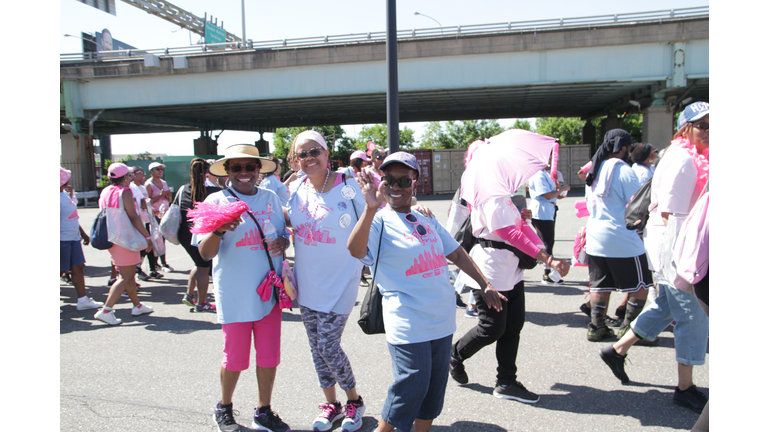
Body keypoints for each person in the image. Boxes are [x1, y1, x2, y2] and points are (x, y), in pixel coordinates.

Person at [347, 152, 506, 432]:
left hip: (441, 320)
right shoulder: (379, 221)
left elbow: (456, 253)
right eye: (389, 180)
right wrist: (370, 208)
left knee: (433, 389)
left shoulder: (426, 219)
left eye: (403, 180)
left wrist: (485, 283)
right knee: (411, 384)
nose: (395, 186)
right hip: (408, 322)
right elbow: (355, 251)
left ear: (415, 183)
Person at [599, 102, 709, 414]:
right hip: (676, 245)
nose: (709, 131)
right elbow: (670, 214)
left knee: (664, 306)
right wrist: (684, 267)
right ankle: (685, 388)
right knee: (692, 315)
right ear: (685, 127)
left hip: (677, 243)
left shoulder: (690, 155)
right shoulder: (683, 159)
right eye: (703, 125)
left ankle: (617, 350)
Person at [448, 139, 570, 404]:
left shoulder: (502, 193)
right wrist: (548, 260)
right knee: (492, 328)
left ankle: (506, 382)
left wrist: (521, 216)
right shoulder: (487, 192)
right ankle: (455, 354)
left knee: (513, 327)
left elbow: (518, 227)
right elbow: (509, 233)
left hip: (510, 269)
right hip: (489, 272)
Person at [196, 144, 291, 432]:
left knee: (269, 356)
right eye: (236, 167)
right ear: (227, 172)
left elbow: (284, 234)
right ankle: (224, 407)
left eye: (250, 167)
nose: (244, 173)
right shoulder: (214, 201)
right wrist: (219, 228)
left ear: (259, 170)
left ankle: (264, 410)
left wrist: (284, 242)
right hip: (235, 294)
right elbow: (204, 253)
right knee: (235, 358)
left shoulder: (272, 198)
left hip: (269, 292)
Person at [284, 130, 367, 432]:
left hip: (342, 280)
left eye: (314, 151)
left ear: (326, 153)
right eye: (301, 154)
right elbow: (288, 222)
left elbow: (375, 219)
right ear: (295, 160)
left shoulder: (348, 185)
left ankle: (354, 401)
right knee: (316, 348)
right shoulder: (296, 189)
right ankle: (330, 403)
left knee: (328, 346)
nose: (308, 158)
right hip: (307, 282)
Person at [583, 129, 653, 341]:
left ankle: (596, 326)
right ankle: (628, 328)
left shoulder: (593, 169)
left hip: (595, 236)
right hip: (622, 237)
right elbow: (638, 203)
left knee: (600, 285)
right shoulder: (623, 170)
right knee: (641, 285)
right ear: (623, 147)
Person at [93, 163, 154, 325]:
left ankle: (137, 305)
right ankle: (106, 310)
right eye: (129, 175)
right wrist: (147, 237)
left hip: (112, 236)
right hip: (125, 237)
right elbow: (133, 217)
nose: (131, 178)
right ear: (125, 177)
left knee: (129, 274)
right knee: (125, 276)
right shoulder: (124, 192)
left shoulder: (106, 191)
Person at [178, 158, 221, 312]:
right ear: (207, 172)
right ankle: (201, 302)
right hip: (201, 232)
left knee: (198, 264)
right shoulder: (214, 192)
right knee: (204, 267)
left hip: (183, 232)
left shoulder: (183, 189)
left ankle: (189, 295)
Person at [60, 167, 103, 313]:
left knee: (78, 267)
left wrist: (83, 234)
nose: (68, 182)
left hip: (73, 238)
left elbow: (72, 217)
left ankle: (83, 300)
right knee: (60, 270)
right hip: (61, 239)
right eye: (65, 179)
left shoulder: (65, 194)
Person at [528, 157, 570, 284]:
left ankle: (548, 272)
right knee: (547, 243)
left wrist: (558, 186)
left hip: (547, 211)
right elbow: (547, 195)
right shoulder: (538, 175)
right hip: (541, 212)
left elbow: (553, 194)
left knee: (547, 243)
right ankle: (547, 275)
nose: (551, 164)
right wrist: (562, 189)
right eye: (549, 161)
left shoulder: (544, 174)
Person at [144, 161, 173, 275]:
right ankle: (157, 264)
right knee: (156, 239)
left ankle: (162, 262)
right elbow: (147, 202)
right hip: (154, 215)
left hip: (164, 214)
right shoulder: (149, 184)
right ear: (151, 171)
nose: (160, 171)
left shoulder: (164, 183)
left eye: (161, 169)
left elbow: (168, 200)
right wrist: (160, 195)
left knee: (162, 239)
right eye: (157, 169)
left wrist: (168, 196)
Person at [129, 166, 152, 281]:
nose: (143, 175)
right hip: (132, 224)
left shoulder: (138, 188)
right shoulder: (128, 188)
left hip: (142, 220)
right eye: (140, 173)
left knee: (142, 248)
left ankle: (137, 270)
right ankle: (130, 277)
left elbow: (143, 201)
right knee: (134, 249)